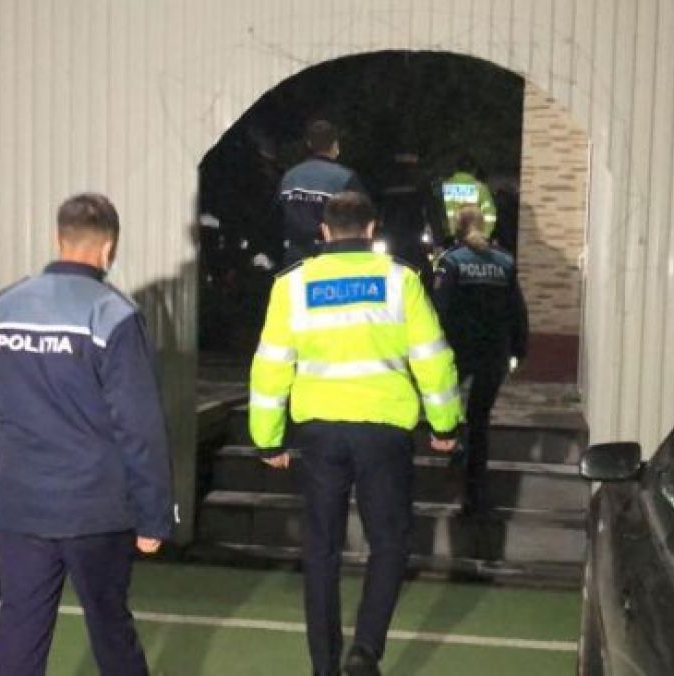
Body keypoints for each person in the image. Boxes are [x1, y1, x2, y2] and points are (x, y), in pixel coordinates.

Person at [248, 191, 462, 676]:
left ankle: (324, 666)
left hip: (319, 433)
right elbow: (433, 358)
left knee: (320, 549)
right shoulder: (400, 280)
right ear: (371, 230)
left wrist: (268, 439)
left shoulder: (293, 285)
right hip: (384, 430)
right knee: (388, 543)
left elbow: (270, 366)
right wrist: (445, 425)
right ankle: (365, 650)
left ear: (324, 232)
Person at [0, 193, 174, 676]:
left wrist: (14, 459)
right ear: (109, 248)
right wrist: (153, 517)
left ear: (58, 239)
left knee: (19, 631)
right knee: (111, 629)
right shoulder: (112, 315)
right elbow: (139, 426)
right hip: (94, 509)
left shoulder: (1, 310)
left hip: (21, 503)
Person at [433, 205, 528, 516]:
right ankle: (476, 493)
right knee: (480, 418)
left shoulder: (451, 262)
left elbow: (440, 308)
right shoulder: (504, 262)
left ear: (458, 229)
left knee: (449, 406)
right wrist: (519, 349)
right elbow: (517, 310)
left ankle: (455, 448)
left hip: (459, 349)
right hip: (494, 351)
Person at [276, 119, 366, 267]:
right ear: (335, 145)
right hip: (333, 257)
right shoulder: (345, 178)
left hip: (294, 257)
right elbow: (361, 218)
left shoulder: (289, 177)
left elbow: (277, 217)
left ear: (309, 144)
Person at [438, 156, 497, 241]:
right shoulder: (480, 188)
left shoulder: (444, 187)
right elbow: (490, 214)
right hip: (474, 237)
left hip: (450, 239)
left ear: (456, 169)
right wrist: (485, 235)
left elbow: (438, 212)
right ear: (474, 170)